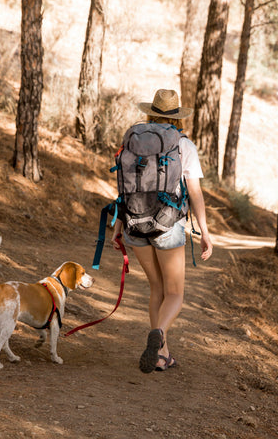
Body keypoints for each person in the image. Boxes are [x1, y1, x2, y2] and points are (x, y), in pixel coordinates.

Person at [111, 89, 213, 373]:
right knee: (175, 293)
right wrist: (204, 232)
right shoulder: (183, 145)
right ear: (177, 116)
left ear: (150, 112)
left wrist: (118, 223)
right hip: (168, 225)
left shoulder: (133, 140)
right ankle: (160, 334)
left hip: (135, 223)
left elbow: (123, 187)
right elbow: (195, 194)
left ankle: (160, 355)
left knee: (156, 288)